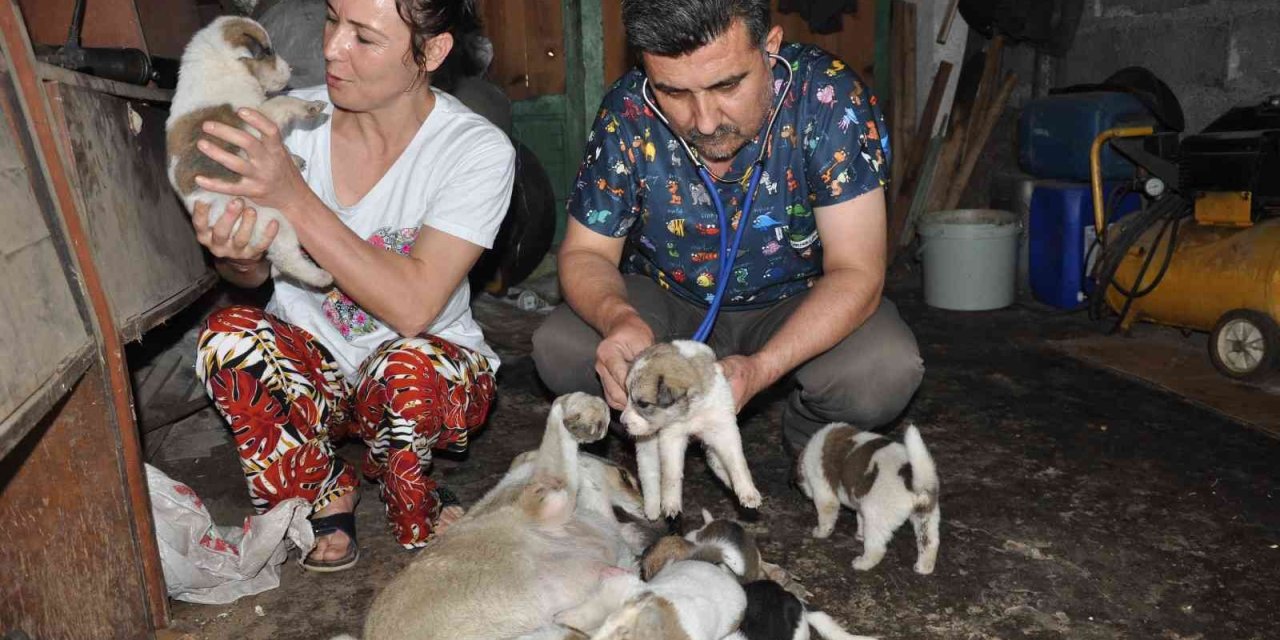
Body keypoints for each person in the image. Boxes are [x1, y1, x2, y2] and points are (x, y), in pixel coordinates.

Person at [190, 0, 514, 571]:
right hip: (317, 377)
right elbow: (251, 274)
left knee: (407, 366)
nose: (332, 48)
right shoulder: (285, 124)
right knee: (226, 339)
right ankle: (324, 484)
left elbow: (414, 306)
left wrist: (293, 195)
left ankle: (411, 489)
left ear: (432, 52)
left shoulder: (474, 150)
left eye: (364, 37)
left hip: (425, 374)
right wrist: (234, 255)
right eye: (334, 19)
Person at [532, 0, 924, 453]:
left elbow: (857, 271)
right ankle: (648, 436)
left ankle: (813, 445)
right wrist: (619, 319)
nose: (705, 121)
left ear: (769, 48)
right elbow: (586, 253)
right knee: (562, 347)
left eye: (727, 85)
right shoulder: (627, 110)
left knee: (882, 370)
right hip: (668, 298)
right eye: (674, 93)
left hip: (794, 300)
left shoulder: (829, 99)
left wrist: (761, 368)